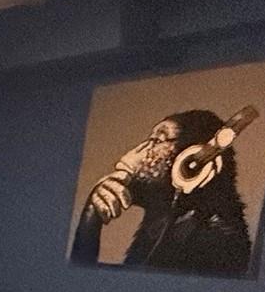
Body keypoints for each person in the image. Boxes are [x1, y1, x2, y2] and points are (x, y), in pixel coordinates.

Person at [71, 107, 254, 275]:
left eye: (157, 140)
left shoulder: (218, 241)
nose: (133, 154)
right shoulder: (158, 228)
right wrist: (91, 217)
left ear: (194, 165)